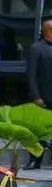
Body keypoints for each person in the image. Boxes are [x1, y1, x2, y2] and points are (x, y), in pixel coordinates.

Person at [26, 19, 52, 167]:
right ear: (48, 30)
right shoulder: (36, 48)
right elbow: (31, 75)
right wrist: (36, 96)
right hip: (43, 97)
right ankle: (35, 161)